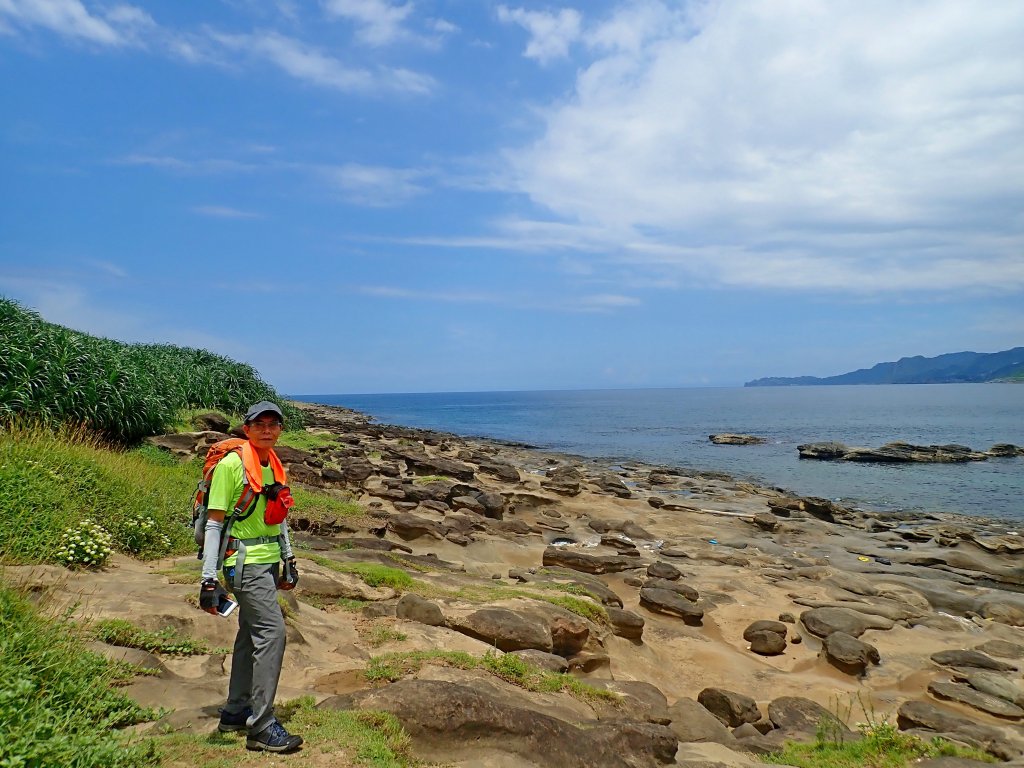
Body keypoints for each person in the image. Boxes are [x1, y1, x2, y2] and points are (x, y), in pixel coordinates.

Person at [198, 400, 303, 753]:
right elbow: (214, 523)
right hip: (243, 562)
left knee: (249, 634)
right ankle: (260, 725)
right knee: (272, 633)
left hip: (268, 559)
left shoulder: (273, 466)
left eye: (273, 424)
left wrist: (288, 557)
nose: (267, 430)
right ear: (247, 429)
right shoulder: (232, 466)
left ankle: (235, 710)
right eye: (260, 424)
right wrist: (208, 578)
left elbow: (279, 514)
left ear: (280, 430)